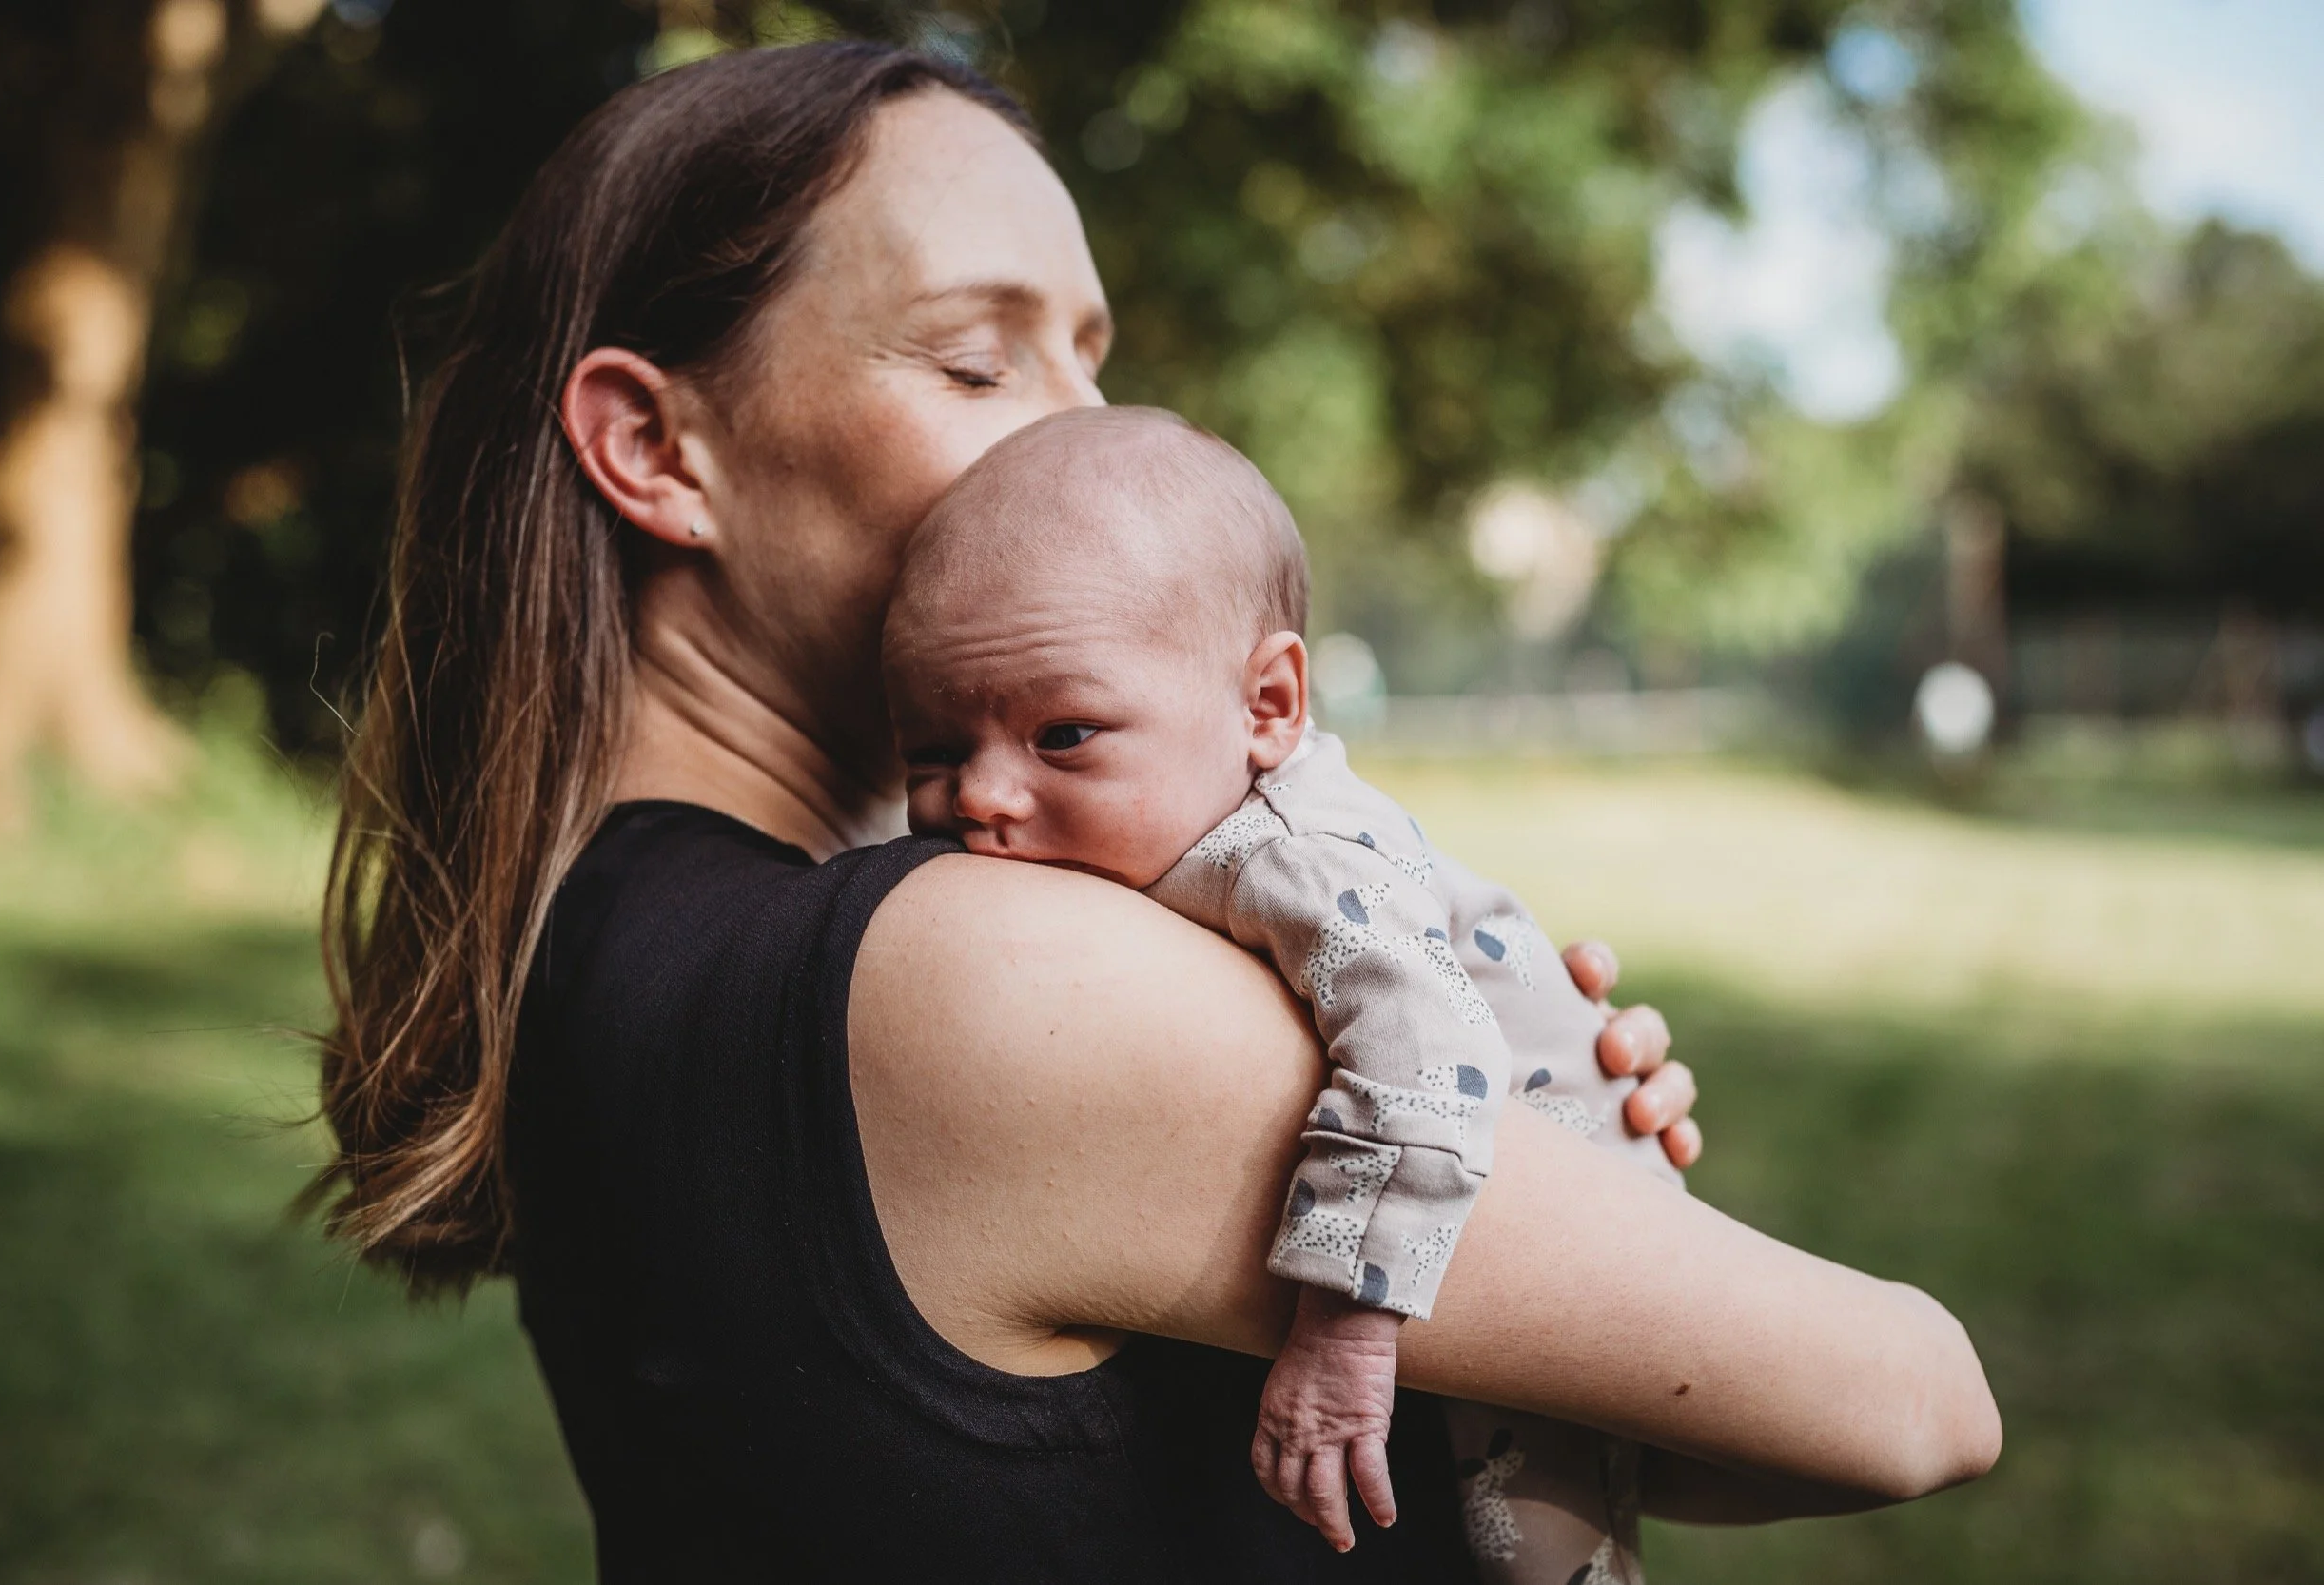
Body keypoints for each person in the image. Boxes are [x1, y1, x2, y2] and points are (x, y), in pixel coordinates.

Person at [314, 41, 2000, 1583]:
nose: (1090, 437)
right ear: (655, 447)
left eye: (1094, 359)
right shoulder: (990, 978)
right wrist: (1587, 1199)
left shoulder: (590, 944)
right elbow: (1913, 1401)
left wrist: (1538, 1163)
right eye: (977, 358)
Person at [881, 402, 1684, 1582]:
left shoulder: (1290, 858)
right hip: (1485, 1208)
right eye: (934, 755)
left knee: (1536, 1546)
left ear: (1267, 708)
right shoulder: (1162, 805)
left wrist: (1344, 1330)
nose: (983, 797)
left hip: (1555, 1210)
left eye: (1063, 734)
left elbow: (1424, 1058)